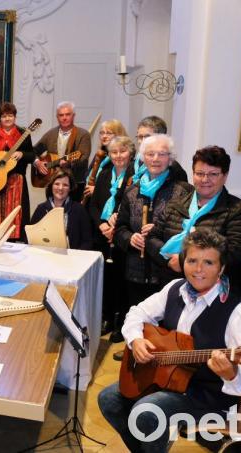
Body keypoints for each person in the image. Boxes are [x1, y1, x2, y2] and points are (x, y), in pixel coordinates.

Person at [98, 230, 241, 453]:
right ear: (183, 262)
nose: (198, 269)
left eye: (208, 262)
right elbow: (137, 312)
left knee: (147, 411)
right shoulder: (175, 289)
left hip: (210, 397)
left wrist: (232, 374)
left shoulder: (239, 311)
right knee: (108, 400)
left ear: (221, 268)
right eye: (192, 261)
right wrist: (136, 340)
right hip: (169, 381)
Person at [112, 135, 191, 343]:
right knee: (137, 325)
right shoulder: (132, 191)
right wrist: (130, 238)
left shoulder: (183, 191)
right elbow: (119, 229)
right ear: (143, 158)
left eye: (162, 154)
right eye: (150, 154)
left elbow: (187, 230)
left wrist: (159, 232)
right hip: (135, 272)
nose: (155, 159)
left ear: (170, 159)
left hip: (166, 273)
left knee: (165, 330)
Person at [150, 145, 241, 289]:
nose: (205, 179)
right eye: (199, 173)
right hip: (172, 285)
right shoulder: (175, 204)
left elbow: (234, 252)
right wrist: (168, 261)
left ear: (225, 176)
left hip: (214, 290)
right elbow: (152, 237)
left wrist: (182, 261)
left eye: (213, 174)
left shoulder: (238, 210)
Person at [87, 136, 136, 334]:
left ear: (130, 153)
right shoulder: (105, 174)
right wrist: (102, 225)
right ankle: (106, 317)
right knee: (105, 279)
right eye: (114, 152)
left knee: (121, 280)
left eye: (123, 151)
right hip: (102, 235)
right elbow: (93, 205)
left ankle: (121, 321)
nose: (118, 156)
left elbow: (132, 207)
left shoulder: (135, 175)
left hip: (122, 235)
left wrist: (115, 227)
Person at [0, 102, 35, 241]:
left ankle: (13, 239)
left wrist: (22, 154)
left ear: (15, 117)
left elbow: (32, 155)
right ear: (0, 118)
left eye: (10, 115)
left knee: (15, 212)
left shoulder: (23, 134)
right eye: (4, 116)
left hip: (16, 181)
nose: (7, 118)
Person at [33, 101, 92, 202]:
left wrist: (69, 164)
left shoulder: (83, 134)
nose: (64, 118)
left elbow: (83, 158)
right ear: (57, 117)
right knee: (53, 210)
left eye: (68, 114)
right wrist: (37, 163)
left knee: (73, 211)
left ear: (73, 116)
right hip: (52, 184)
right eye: (61, 115)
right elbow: (34, 151)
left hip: (75, 185)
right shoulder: (51, 134)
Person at [29, 169, 93, 250]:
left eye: (65, 185)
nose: (60, 188)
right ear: (51, 186)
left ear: (70, 188)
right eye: (57, 184)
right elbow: (29, 236)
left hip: (71, 256)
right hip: (44, 254)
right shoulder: (41, 209)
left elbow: (87, 241)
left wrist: (75, 255)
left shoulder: (79, 210)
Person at [133, 116, 188, 184]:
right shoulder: (135, 163)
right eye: (140, 137)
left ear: (161, 137)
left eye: (148, 136)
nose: (143, 141)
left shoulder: (173, 168)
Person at [83, 119, 128, 200]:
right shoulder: (100, 154)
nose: (104, 136)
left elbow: (119, 184)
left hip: (107, 199)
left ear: (118, 134)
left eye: (108, 133)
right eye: (102, 133)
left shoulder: (120, 157)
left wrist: (96, 190)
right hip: (91, 199)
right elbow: (88, 174)